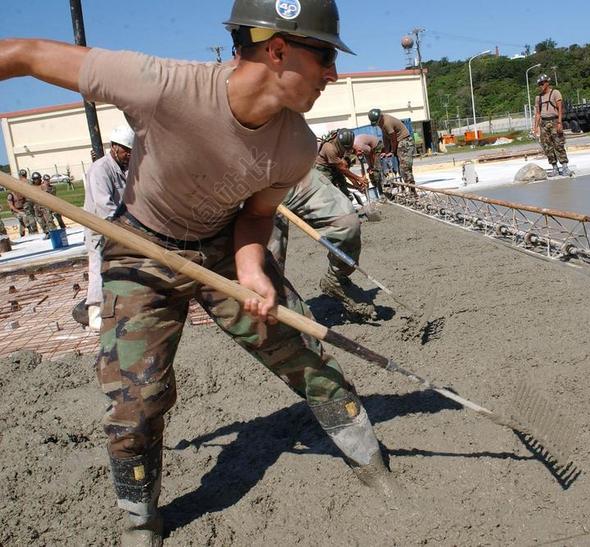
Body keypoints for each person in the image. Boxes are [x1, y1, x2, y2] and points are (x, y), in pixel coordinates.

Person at [0, 1, 396, 544]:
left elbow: (257, 215)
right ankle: (143, 525)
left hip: (217, 246)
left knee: (305, 353)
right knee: (134, 403)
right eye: (325, 55)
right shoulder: (164, 87)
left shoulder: (297, 144)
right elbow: (25, 53)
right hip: (140, 249)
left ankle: (375, 468)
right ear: (278, 50)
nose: (333, 73)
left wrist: (252, 267)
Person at [269, 167, 376, 321]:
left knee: (347, 225)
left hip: (285, 164)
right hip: (242, 183)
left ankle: (336, 279)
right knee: (265, 272)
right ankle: (294, 327)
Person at [81, 125, 134, 331]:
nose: (129, 155)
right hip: (99, 229)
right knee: (98, 266)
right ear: (114, 147)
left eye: (131, 151)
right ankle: (95, 315)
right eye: (126, 151)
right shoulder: (100, 170)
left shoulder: (125, 169)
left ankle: (119, 308)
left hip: (119, 227)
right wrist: (128, 226)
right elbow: (105, 207)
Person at [368, 108, 416, 195]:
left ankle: (413, 192)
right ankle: (405, 189)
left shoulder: (386, 122)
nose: (378, 124)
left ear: (380, 117)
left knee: (404, 168)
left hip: (404, 141)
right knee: (398, 168)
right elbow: (385, 138)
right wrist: (386, 152)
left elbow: (393, 138)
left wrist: (392, 151)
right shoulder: (381, 123)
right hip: (398, 141)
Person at [532, 74, 571, 177]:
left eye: (542, 83)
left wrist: (559, 123)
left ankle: (565, 167)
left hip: (554, 121)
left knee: (558, 144)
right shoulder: (538, 98)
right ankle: (555, 168)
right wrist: (535, 128)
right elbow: (538, 113)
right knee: (547, 146)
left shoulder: (555, 93)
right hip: (544, 123)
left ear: (547, 83)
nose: (540, 86)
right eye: (539, 84)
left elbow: (560, 109)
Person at [314, 127, 367, 199]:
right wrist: (359, 178)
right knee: (330, 189)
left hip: (334, 163)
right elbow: (343, 169)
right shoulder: (329, 149)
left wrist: (357, 186)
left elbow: (345, 170)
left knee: (342, 182)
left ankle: (346, 200)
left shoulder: (346, 142)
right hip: (323, 168)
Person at [7, 169, 38, 236]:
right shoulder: (30, 182)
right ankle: (31, 230)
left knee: (28, 216)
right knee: (30, 216)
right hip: (28, 203)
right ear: (26, 175)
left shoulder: (19, 183)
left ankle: (32, 231)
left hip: (26, 204)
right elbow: (11, 206)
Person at [353, 133, 384, 198]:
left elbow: (371, 153)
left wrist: (372, 166)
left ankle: (382, 193)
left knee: (375, 170)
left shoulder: (361, 147)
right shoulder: (354, 148)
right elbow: (367, 155)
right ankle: (376, 189)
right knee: (370, 170)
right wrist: (369, 166)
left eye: (359, 153)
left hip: (377, 146)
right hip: (369, 149)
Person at [29, 171, 57, 238]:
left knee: (49, 219)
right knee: (41, 221)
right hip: (36, 206)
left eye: (37, 178)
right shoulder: (31, 187)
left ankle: (54, 232)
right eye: (35, 179)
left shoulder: (43, 186)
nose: (36, 180)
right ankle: (47, 233)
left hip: (44, 205)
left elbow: (47, 196)